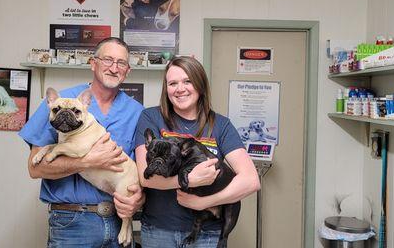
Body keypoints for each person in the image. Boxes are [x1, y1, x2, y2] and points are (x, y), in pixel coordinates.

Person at [19, 37, 145, 248]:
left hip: (118, 221)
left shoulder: (137, 112)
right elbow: (35, 168)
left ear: (128, 70)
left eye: (121, 63)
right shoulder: (60, 103)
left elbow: (141, 173)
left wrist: (138, 199)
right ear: (93, 63)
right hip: (72, 223)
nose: (114, 68)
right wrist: (87, 161)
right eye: (107, 60)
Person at [133, 56, 261, 247]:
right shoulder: (151, 117)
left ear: (200, 85)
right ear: (166, 88)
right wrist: (190, 180)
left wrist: (203, 202)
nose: (180, 89)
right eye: (172, 83)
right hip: (159, 229)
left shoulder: (220, 125)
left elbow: (251, 181)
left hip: (206, 234)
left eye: (187, 81)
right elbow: (146, 176)